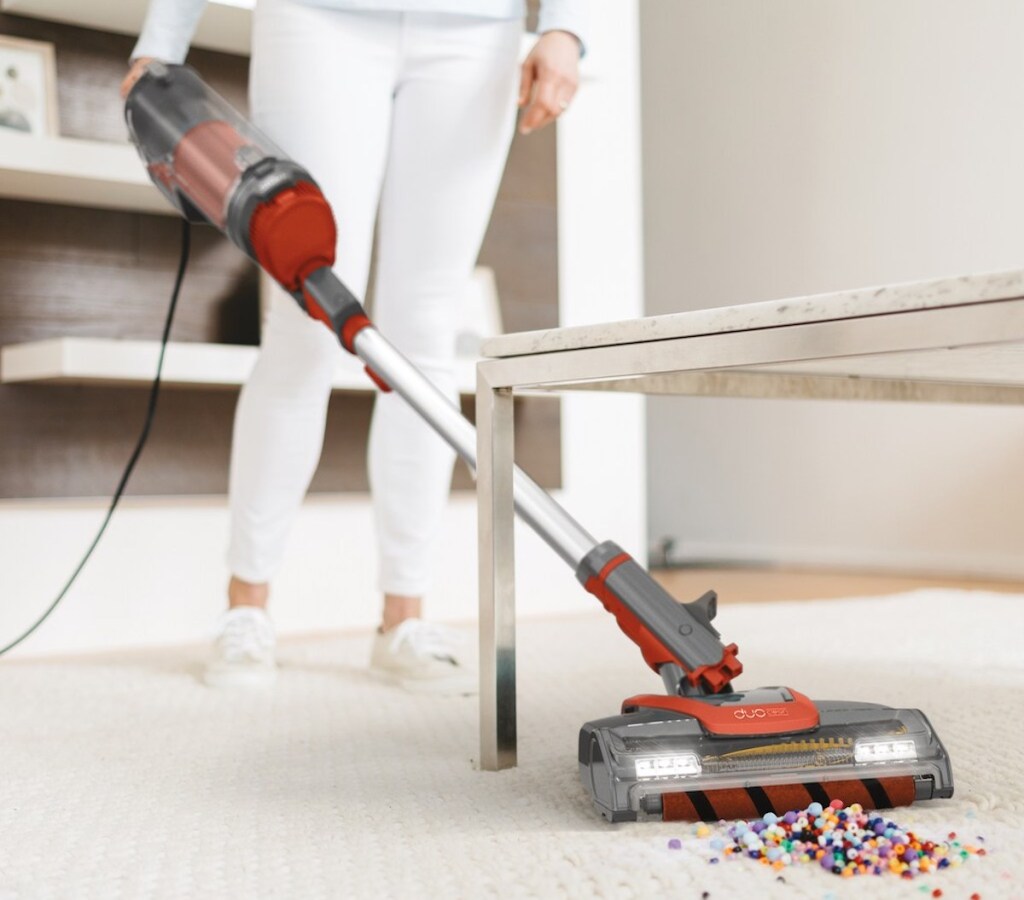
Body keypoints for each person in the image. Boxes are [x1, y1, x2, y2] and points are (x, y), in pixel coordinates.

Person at [122, 0, 585, 692]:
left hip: (476, 32)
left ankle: (404, 617)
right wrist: (162, 39)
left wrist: (568, 26)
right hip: (318, 18)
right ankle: (245, 608)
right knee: (303, 319)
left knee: (424, 335)